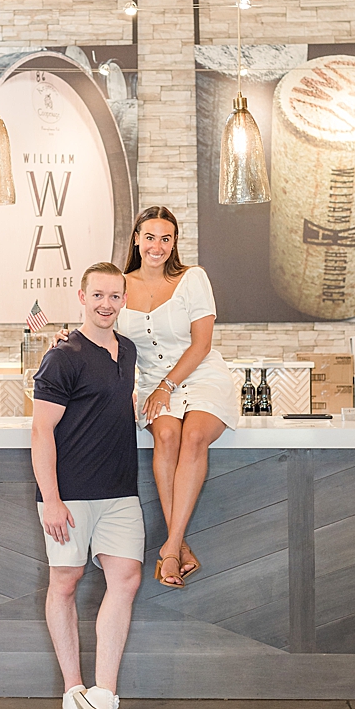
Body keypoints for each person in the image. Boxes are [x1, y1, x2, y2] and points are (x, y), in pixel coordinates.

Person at [31, 262, 143, 709]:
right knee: (66, 581)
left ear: (123, 300)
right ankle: (73, 691)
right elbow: (41, 431)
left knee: (126, 579)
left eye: (114, 296)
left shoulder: (128, 350)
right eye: (98, 295)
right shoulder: (62, 356)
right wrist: (52, 500)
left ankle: (104, 695)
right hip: (70, 494)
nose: (106, 304)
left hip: (120, 490)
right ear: (81, 296)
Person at [121, 205, 239, 589]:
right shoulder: (120, 287)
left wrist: (166, 387)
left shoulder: (193, 278)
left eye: (166, 239)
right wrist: (66, 339)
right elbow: (100, 331)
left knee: (193, 436)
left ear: (174, 243)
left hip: (199, 374)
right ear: (136, 238)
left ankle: (169, 549)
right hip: (154, 383)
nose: (157, 246)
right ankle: (177, 546)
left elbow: (202, 344)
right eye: (150, 237)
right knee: (167, 435)